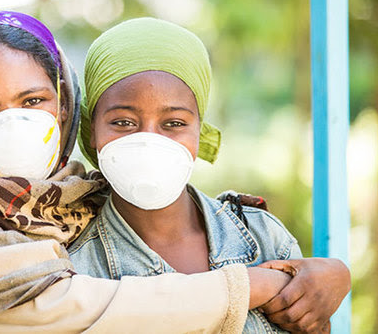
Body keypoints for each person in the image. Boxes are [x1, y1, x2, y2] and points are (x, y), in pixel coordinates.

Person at [0, 10, 284, 333]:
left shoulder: (67, 206)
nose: (12, 124)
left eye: (32, 101)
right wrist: (247, 287)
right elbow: (70, 309)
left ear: (64, 107)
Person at [70, 17, 350, 333]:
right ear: (91, 131)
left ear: (198, 133)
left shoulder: (261, 237)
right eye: (123, 122)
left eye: (173, 123)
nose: (150, 140)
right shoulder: (73, 269)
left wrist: (335, 278)